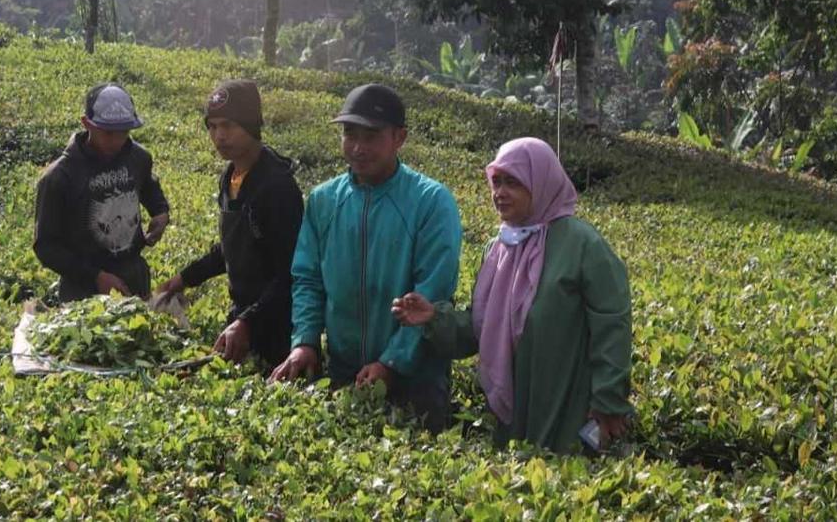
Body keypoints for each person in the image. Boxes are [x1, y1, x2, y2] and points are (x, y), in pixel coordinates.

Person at [392, 137, 632, 454]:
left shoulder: (582, 245)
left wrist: (608, 399)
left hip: (567, 408)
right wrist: (435, 318)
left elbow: (612, 326)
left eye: (513, 183)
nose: (500, 193)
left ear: (541, 183)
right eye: (496, 182)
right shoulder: (500, 248)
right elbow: (484, 328)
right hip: (513, 421)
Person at [268, 83, 462, 432]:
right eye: (349, 133)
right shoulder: (324, 200)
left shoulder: (431, 202)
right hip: (346, 374)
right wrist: (306, 342)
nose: (357, 147)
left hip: (416, 381)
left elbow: (432, 294)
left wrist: (391, 363)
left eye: (371, 136)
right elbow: (308, 279)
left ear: (399, 137)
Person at [158, 80, 304, 369]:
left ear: (251, 125)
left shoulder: (277, 187)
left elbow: (291, 273)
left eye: (228, 125)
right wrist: (184, 279)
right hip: (241, 320)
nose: (219, 136)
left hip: (278, 329)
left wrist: (248, 322)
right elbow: (232, 247)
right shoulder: (231, 176)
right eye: (212, 127)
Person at [33, 82, 170, 302]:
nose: (116, 141)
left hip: (133, 276)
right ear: (87, 124)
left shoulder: (138, 158)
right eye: (107, 133)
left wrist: (160, 212)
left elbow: (149, 187)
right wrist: (95, 277)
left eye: (123, 132)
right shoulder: (59, 178)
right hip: (83, 289)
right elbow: (46, 246)